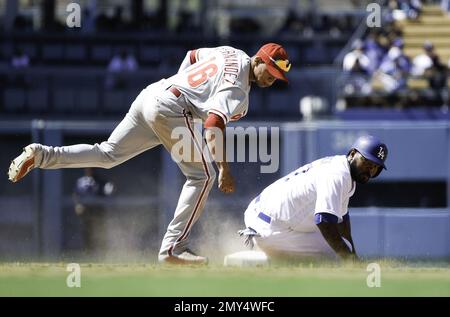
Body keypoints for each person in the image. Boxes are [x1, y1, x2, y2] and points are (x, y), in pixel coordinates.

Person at [8, 43, 291, 265]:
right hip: (171, 109)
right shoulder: (238, 89)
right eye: (270, 71)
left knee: (107, 154)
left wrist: (184, 91)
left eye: (277, 77)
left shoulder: (230, 52)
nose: (271, 79)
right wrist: (225, 169)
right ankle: (173, 247)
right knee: (203, 176)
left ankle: (42, 154)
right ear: (258, 60)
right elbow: (214, 123)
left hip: (153, 94)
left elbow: (192, 56)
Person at [238, 135, 388, 261]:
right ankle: (270, 252)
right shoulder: (338, 175)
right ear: (353, 153)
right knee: (339, 253)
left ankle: (269, 248)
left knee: (343, 246)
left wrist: (353, 255)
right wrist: (351, 261)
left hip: (258, 213)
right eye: (367, 162)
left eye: (375, 167)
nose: (370, 170)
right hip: (269, 228)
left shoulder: (339, 166)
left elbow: (342, 220)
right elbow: (324, 221)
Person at [73, 168, 114, 254]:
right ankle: (88, 250)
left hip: (98, 209)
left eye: (92, 169)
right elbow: (76, 194)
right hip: (87, 209)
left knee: (101, 229)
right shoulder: (81, 181)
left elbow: (108, 191)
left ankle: (103, 250)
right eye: (88, 169)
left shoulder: (101, 181)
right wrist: (77, 205)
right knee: (87, 230)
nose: (90, 171)